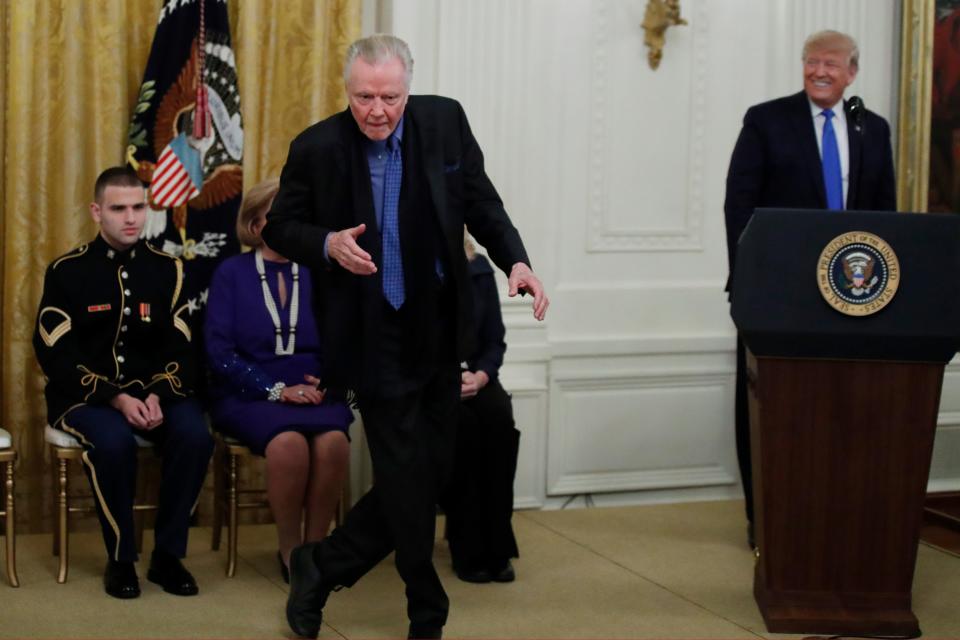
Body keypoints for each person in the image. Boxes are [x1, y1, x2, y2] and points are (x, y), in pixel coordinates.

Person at [262, 34, 548, 640]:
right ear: (348, 90)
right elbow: (282, 226)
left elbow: (481, 202)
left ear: (407, 90)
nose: (377, 110)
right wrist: (326, 243)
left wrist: (515, 261)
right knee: (403, 471)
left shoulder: (444, 122)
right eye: (364, 96)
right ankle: (427, 608)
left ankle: (321, 564)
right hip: (370, 334)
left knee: (429, 471)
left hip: (438, 326)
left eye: (389, 97)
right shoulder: (316, 148)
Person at [723, 30, 897, 547]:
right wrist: (749, 279)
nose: (820, 71)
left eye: (831, 64)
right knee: (768, 406)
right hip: (777, 294)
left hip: (852, 294)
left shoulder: (872, 129)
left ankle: (830, 514)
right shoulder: (766, 120)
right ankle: (766, 519)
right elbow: (739, 206)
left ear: (852, 73)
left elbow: (884, 215)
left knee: (838, 407)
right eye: (812, 62)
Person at [33, 166, 213, 599]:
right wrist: (115, 398)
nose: (131, 218)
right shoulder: (66, 271)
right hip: (86, 398)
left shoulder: (169, 270)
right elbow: (55, 352)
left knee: (194, 435)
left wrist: (158, 393)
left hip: (155, 393)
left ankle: (168, 557)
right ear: (98, 211)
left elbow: (184, 346)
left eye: (138, 207)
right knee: (114, 443)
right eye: (119, 209)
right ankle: (121, 558)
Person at [204, 178, 354, 583]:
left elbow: (343, 338)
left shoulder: (321, 271)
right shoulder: (231, 273)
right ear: (256, 225)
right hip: (248, 390)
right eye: (281, 214)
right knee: (288, 444)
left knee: (334, 442)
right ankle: (289, 551)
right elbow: (218, 352)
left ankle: (315, 549)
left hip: (314, 387)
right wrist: (273, 389)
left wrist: (329, 378)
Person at [441, 234, 520, 584]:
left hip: (477, 375)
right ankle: (466, 546)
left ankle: (498, 546)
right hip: (431, 381)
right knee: (463, 432)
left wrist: (482, 375)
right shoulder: (409, 267)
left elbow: (494, 340)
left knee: (499, 419)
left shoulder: (479, 268)